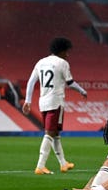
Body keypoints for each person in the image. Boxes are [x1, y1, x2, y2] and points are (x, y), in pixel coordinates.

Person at [22, 37, 87, 175]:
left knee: (55, 133)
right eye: (67, 51)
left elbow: (31, 82)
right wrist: (82, 90)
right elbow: (70, 82)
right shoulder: (62, 63)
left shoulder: (41, 62)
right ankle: (40, 166)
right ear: (61, 50)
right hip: (56, 101)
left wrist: (28, 100)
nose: (68, 54)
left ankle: (63, 163)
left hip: (43, 101)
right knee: (50, 133)